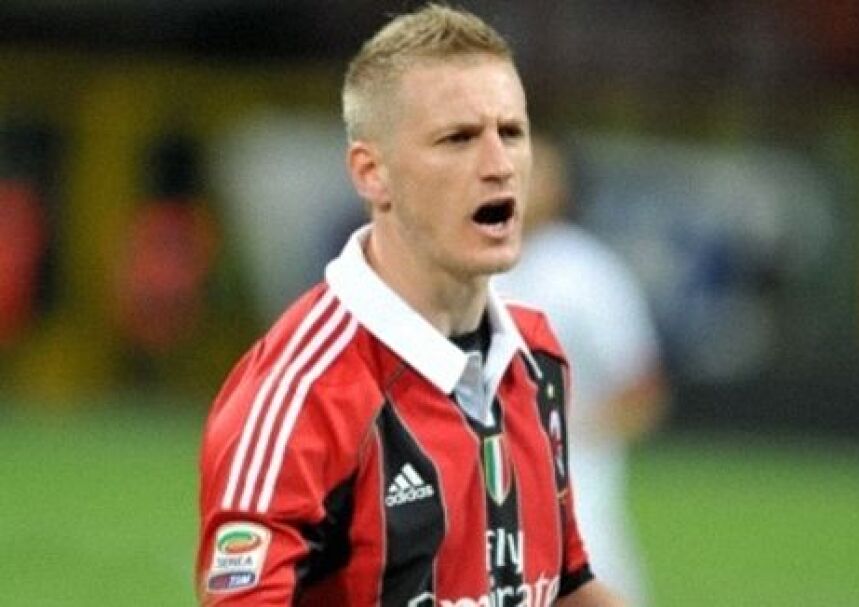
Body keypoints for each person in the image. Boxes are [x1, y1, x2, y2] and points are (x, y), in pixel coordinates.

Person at [196, 5, 625, 606]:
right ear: (372, 173)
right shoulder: (303, 393)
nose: (498, 165)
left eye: (511, 133)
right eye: (458, 139)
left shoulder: (537, 356)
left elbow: (562, 581)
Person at [496, 136, 667, 606]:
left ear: (561, 188)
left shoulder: (586, 271)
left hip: (573, 481)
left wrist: (577, 435)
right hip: (483, 473)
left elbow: (643, 387)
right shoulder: (472, 262)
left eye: (535, 172)